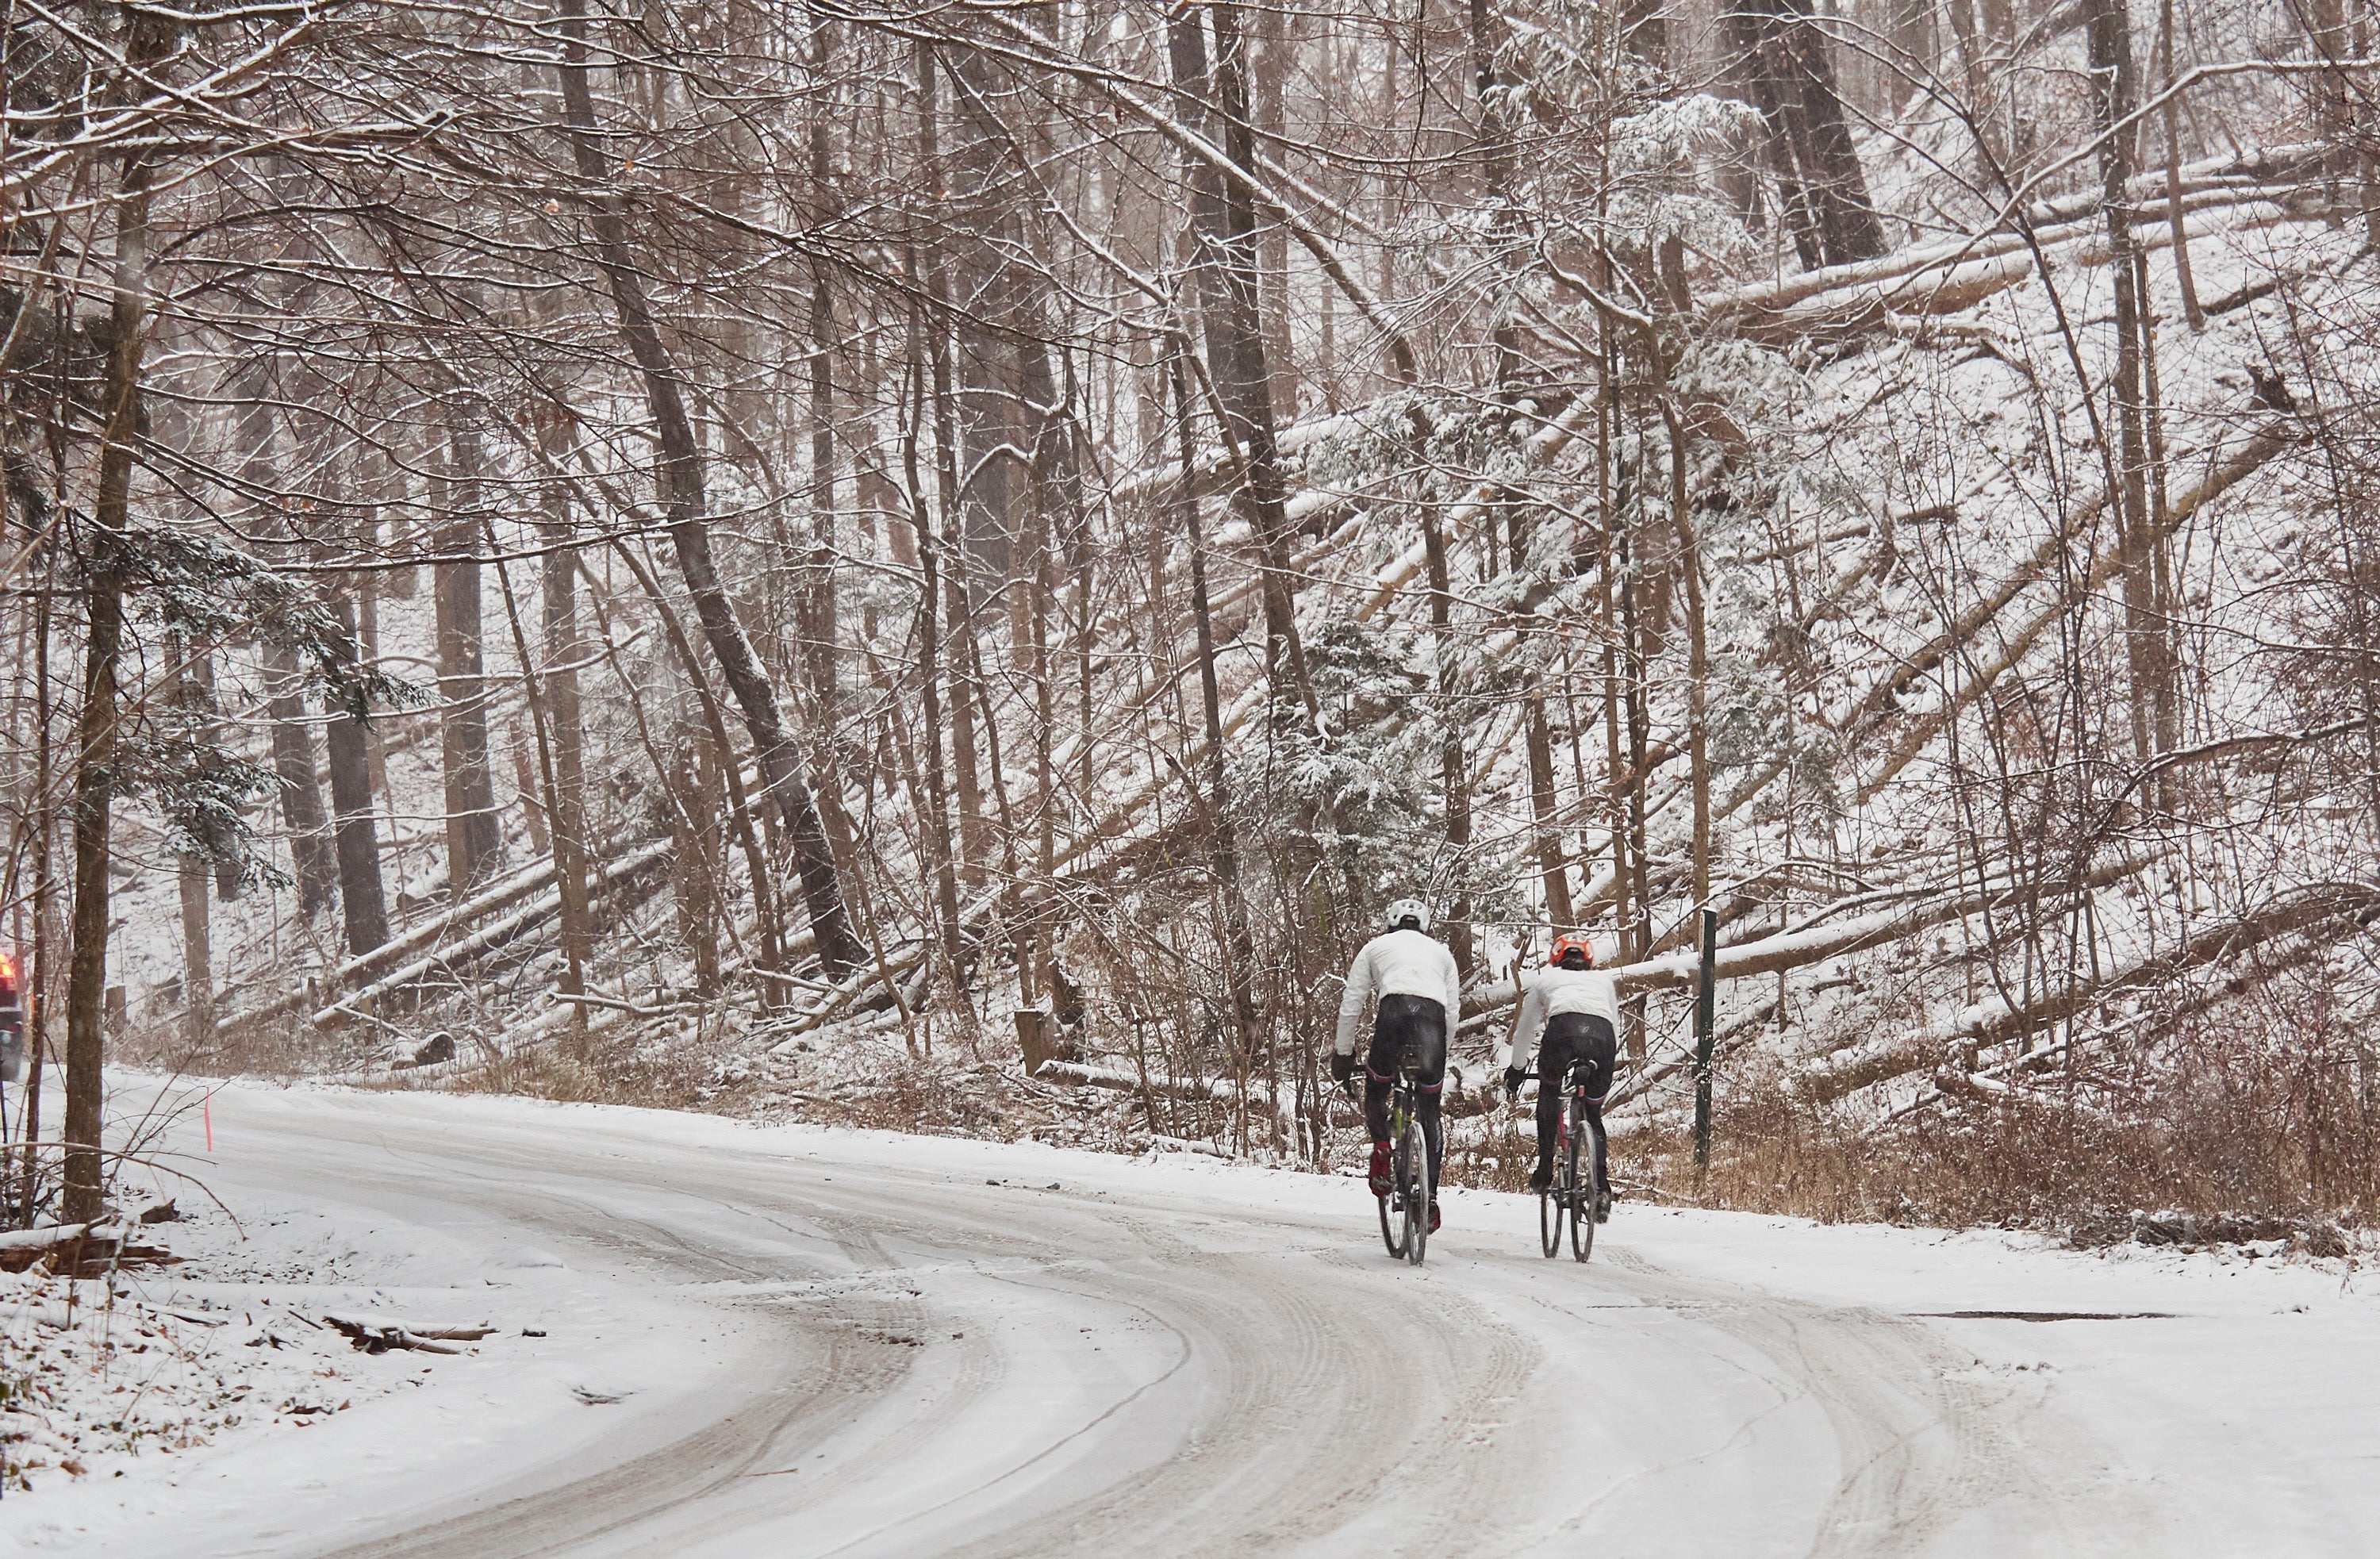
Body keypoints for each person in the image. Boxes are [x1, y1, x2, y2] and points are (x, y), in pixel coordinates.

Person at [1332, 897, 1461, 1233]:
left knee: (1377, 1087)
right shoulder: (1442, 953)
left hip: (1393, 1015)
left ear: (1391, 923)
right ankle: (1429, 1200)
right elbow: (1452, 1012)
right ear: (1424, 925)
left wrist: (1343, 1055)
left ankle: (1381, 1149)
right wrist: (1439, 1056)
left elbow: (1352, 1002)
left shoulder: (1375, 947)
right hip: (1432, 1022)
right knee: (1430, 1110)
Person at [1503, 933, 1618, 1220]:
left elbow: (1526, 1029)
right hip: (1602, 1040)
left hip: (1561, 1034)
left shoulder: (1544, 981)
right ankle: (1602, 1189)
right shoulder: (1604, 981)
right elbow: (1613, 1023)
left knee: (1550, 1091)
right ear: (1588, 961)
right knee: (1593, 1112)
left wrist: (1517, 1068)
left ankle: (1544, 1169)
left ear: (1556, 960)